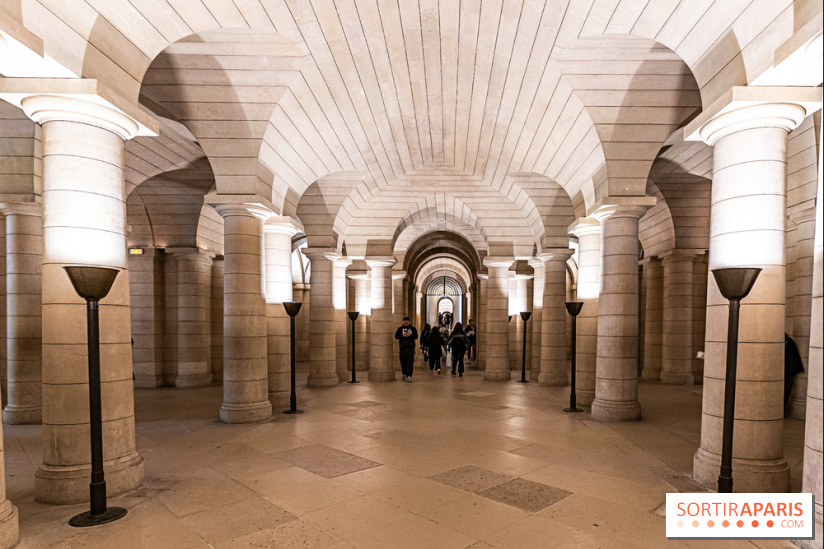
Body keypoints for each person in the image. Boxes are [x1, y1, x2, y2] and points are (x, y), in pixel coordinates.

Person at [784, 333, 805, 414]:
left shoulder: (790, 343)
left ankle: (783, 410)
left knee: (786, 390)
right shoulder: (788, 343)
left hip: (789, 371)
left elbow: (792, 360)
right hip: (787, 371)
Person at [395, 317, 418, 382]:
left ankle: (409, 375)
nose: (406, 322)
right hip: (402, 348)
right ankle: (404, 373)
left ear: (409, 322)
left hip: (410, 348)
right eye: (405, 321)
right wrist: (402, 335)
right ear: (403, 322)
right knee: (403, 362)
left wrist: (409, 335)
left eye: (407, 321)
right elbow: (396, 336)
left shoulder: (413, 329)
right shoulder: (400, 329)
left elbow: (416, 336)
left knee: (410, 362)